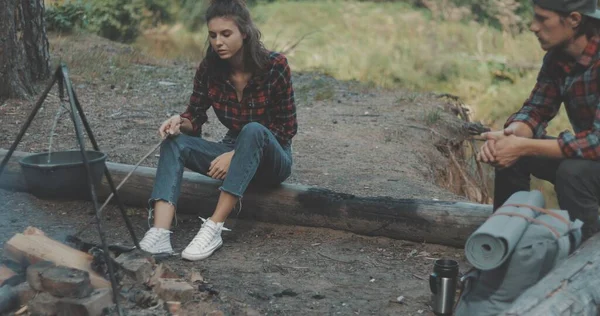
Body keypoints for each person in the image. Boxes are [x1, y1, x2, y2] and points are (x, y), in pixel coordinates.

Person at [138, 0, 297, 261]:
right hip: (230, 150)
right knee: (175, 142)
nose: (218, 42)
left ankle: (213, 227)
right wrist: (179, 121)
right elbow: (196, 117)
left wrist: (235, 155)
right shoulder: (209, 69)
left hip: (273, 158)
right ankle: (160, 234)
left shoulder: (275, 66)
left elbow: (286, 128)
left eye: (226, 34)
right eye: (212, 35)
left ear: (244, 32)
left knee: (254, 130)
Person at [478, 0, 600, 240]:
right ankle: (500, 243)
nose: (533, 26)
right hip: (591, 160)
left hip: (590, 160)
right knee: (514, 155)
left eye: (542, 19)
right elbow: (536, 109)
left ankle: (584, 258)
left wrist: (524, 146)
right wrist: (511, 137)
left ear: (574, 20)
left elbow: (597, 143)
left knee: (573, 172)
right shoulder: (558, 58)